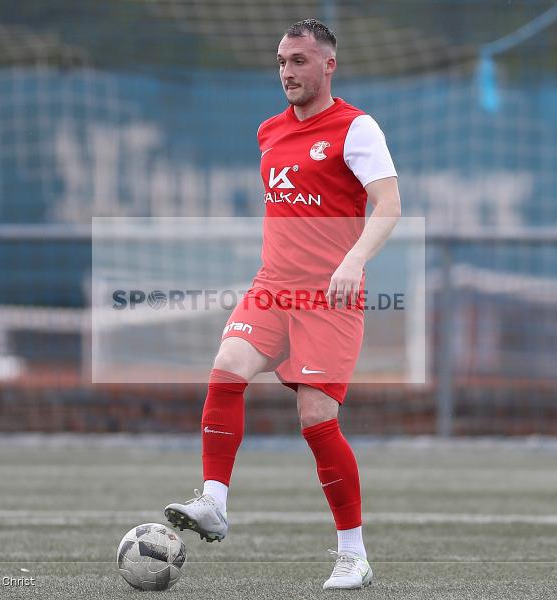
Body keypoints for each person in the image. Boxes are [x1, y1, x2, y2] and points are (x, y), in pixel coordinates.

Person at [165, 18, 401, 590]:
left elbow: (389, 205)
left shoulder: (356, 128)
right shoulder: (268, 132)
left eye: (298, 61)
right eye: (280, 62)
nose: (287, 72)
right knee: (226, 371)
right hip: (273, 286)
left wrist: (353, 260)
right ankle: (215, 502)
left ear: (328, 65)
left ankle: (354, 554)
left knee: (316, 421)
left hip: (330, 295)